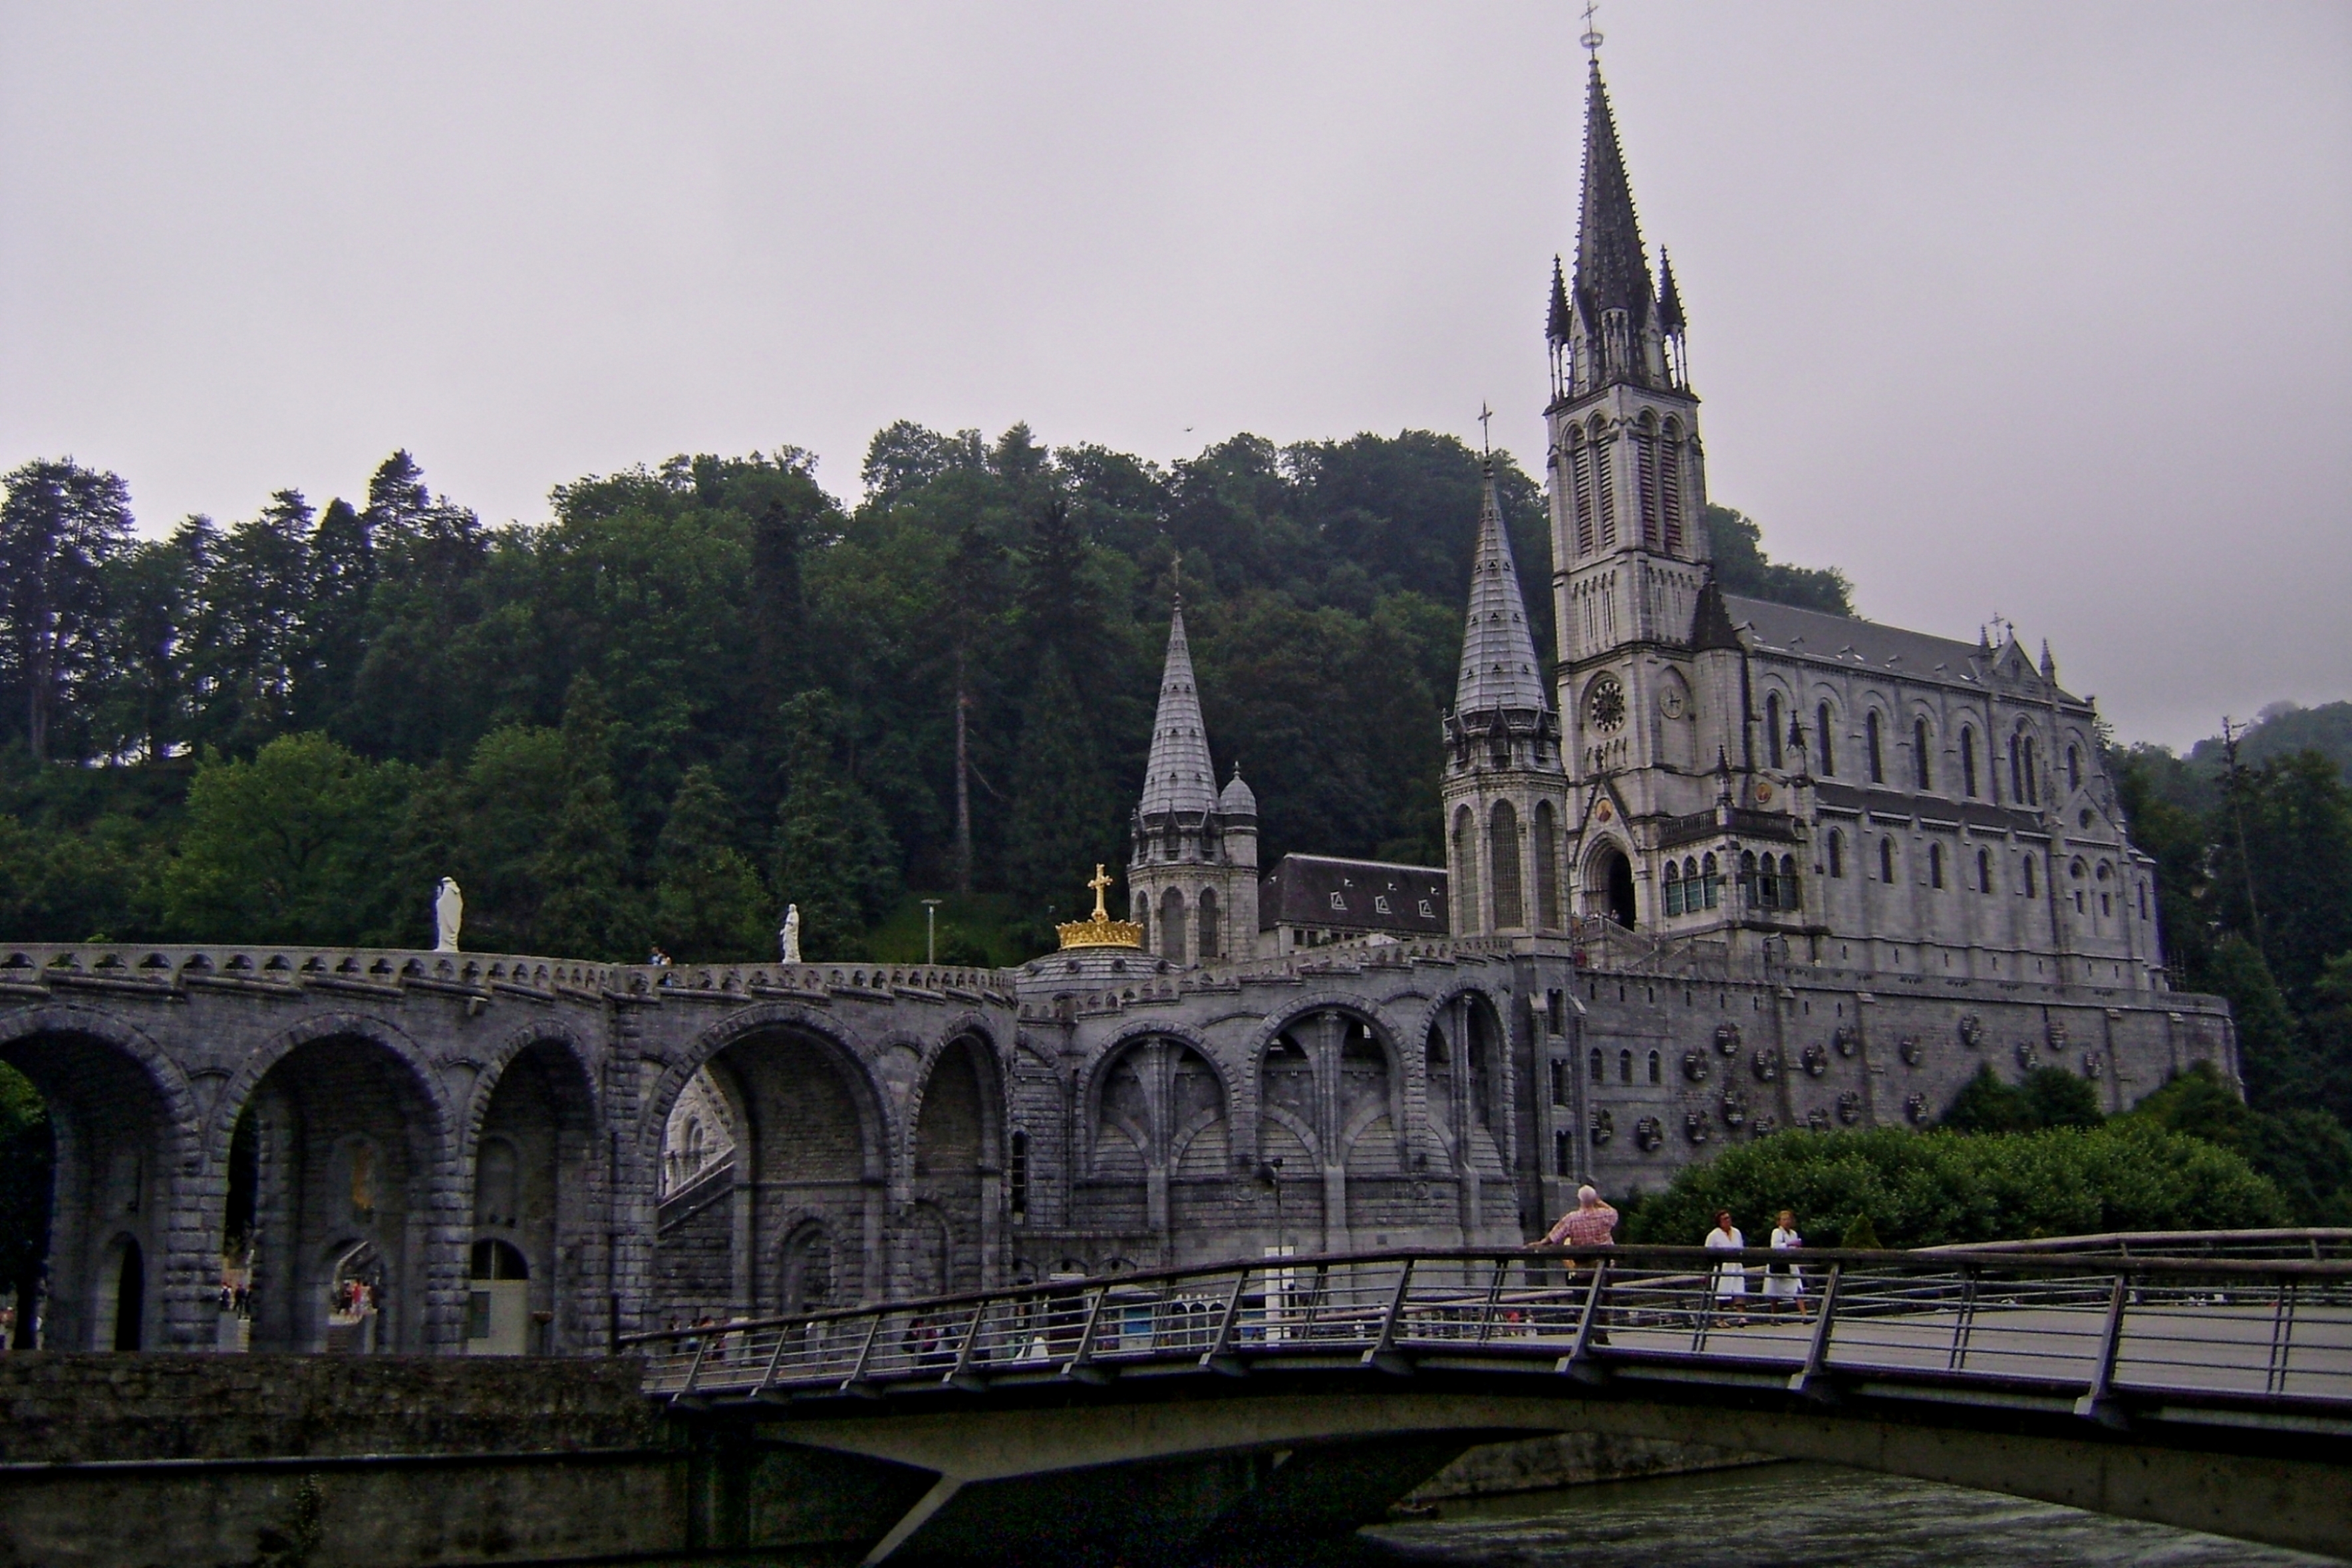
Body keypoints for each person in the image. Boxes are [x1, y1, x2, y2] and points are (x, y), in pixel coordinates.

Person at [1704, 1210, 1747, 1326]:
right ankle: (1720, 1319)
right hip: (1723, 1268)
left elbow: (1741, 1248)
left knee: (1739, 1292)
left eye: (1729, 1218)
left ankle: (1742, 1317)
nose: (1728, 1221)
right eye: (1725, 1219)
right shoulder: (1714, 1235)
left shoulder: (1736, 1232)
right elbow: (1708, 1251)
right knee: (1721, 1294)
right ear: (1719, 1222)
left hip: (1736, 1266)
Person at [1765, 1210, 1807, 1318]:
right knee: (1775, 1291)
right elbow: (1775, 1247)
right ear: (1779, 1222)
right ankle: (1775, 1316)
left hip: (1791, 1266)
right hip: (1779, 1265)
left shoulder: (1793, 1233)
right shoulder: (1777, 1232)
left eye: (1788, 1219)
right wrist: (1789, 1244)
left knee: (1798, 1289)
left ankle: (1804, 1315)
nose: (1787, 1222)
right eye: (1784, 1219)